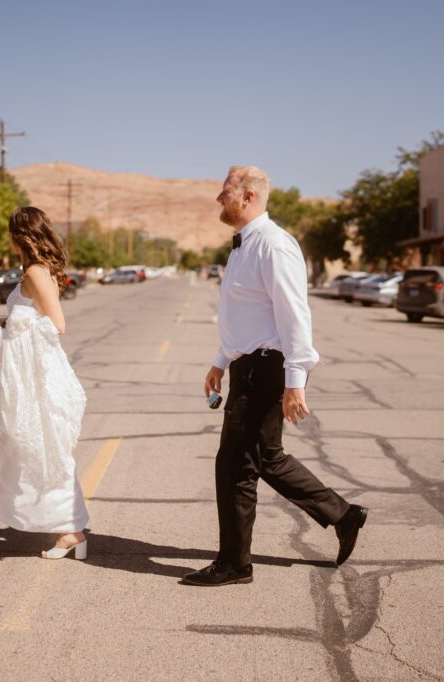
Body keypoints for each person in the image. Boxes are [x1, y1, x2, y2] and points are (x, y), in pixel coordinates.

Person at [182, 166, 368, 587]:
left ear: (247, 197)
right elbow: (244, 316)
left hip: (268, 367)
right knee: (264, 459)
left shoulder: (273, 245)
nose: (218, 198)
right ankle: (343, 515)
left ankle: (234, 563)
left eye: (224, 191)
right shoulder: (243, 246)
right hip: (250, 365)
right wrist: (220, 361)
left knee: (234, 466)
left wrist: (295, 380)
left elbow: (293, 314)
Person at [0, 206, 89, 561]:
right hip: (23, 375)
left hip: (36, 380)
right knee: (15, 452)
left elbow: (56, 325)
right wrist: (5, 334)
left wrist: (13, 331)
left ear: (17, 237)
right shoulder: (35, 271)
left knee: (21, 450)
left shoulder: (37, 272)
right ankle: (67, 532)